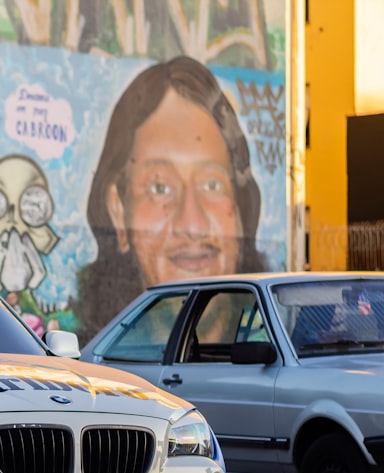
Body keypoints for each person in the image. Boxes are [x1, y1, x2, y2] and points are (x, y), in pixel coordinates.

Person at [76, 55, 266, 344]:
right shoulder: (88, 370)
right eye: (160, 188)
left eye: (212, 184)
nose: (192, 224)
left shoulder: (286, 353)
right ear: (118, 210)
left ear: (240, 208)